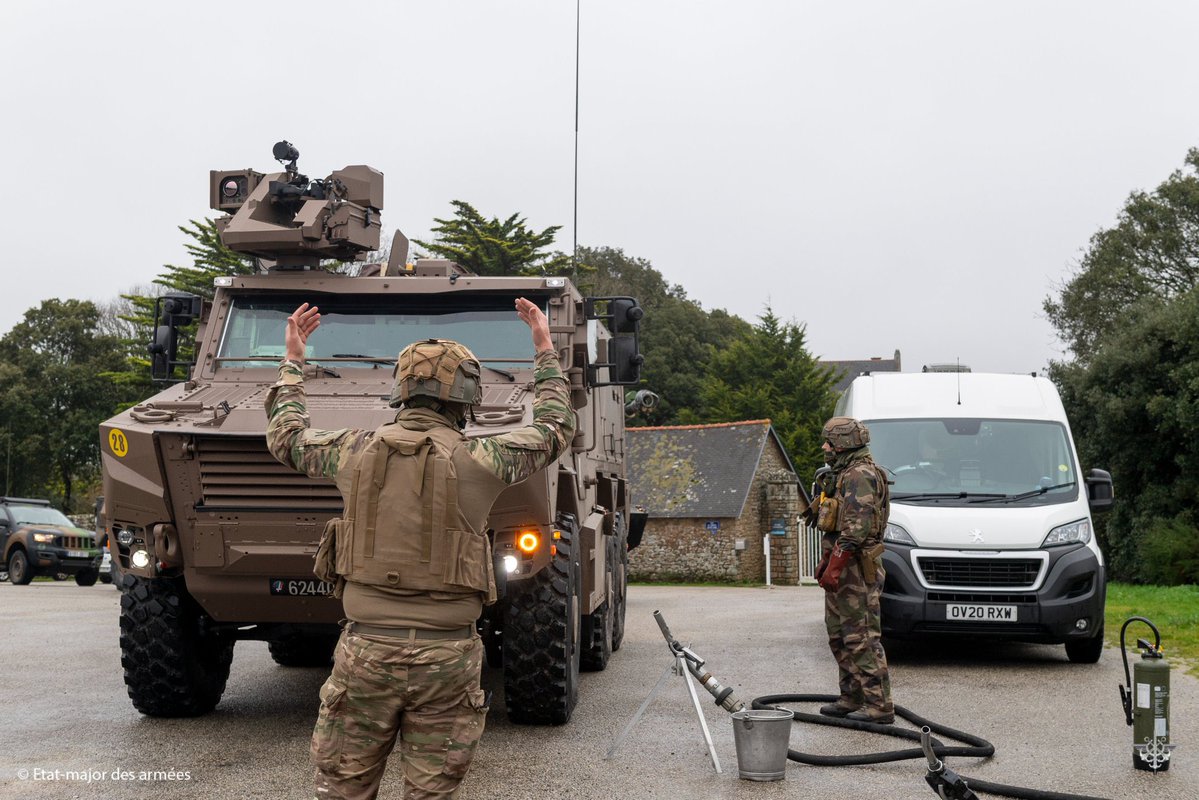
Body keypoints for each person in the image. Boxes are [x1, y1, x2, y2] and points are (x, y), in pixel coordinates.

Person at [265, 298, 576, 800]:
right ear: (466, 398)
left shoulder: (353, 450)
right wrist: (544, 349)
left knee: (343, 789)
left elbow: (285, 435)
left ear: (401, 391)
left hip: (365, 652)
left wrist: (293, 361)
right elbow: (555, 429)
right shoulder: (484, 458)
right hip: (447, 657)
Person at [813, 416, 895, 724]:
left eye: (829, 442)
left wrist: (835, 565)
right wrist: (827, 562)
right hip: (842, 564)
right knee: (838, 633)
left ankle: (879, 706)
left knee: (860, 636)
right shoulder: (843, 473)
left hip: (857, 569)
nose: (825, 447)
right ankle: (852, 696)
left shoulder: (860, 475)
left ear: (844, 444)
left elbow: (856, 530)